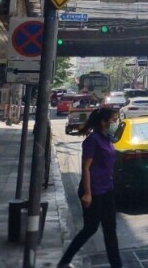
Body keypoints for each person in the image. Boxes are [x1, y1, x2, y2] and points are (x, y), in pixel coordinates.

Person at [58, 107, 122, 268]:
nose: (116, 123)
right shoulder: (92, 140)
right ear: (103, 122)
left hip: (107, 189)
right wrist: (87, 193)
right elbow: (86, 167)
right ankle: (64, 261)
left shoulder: (107, 138)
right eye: (114, 120)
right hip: (93, 191)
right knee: (90, 228)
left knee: (110, 229)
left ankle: (116, 265)